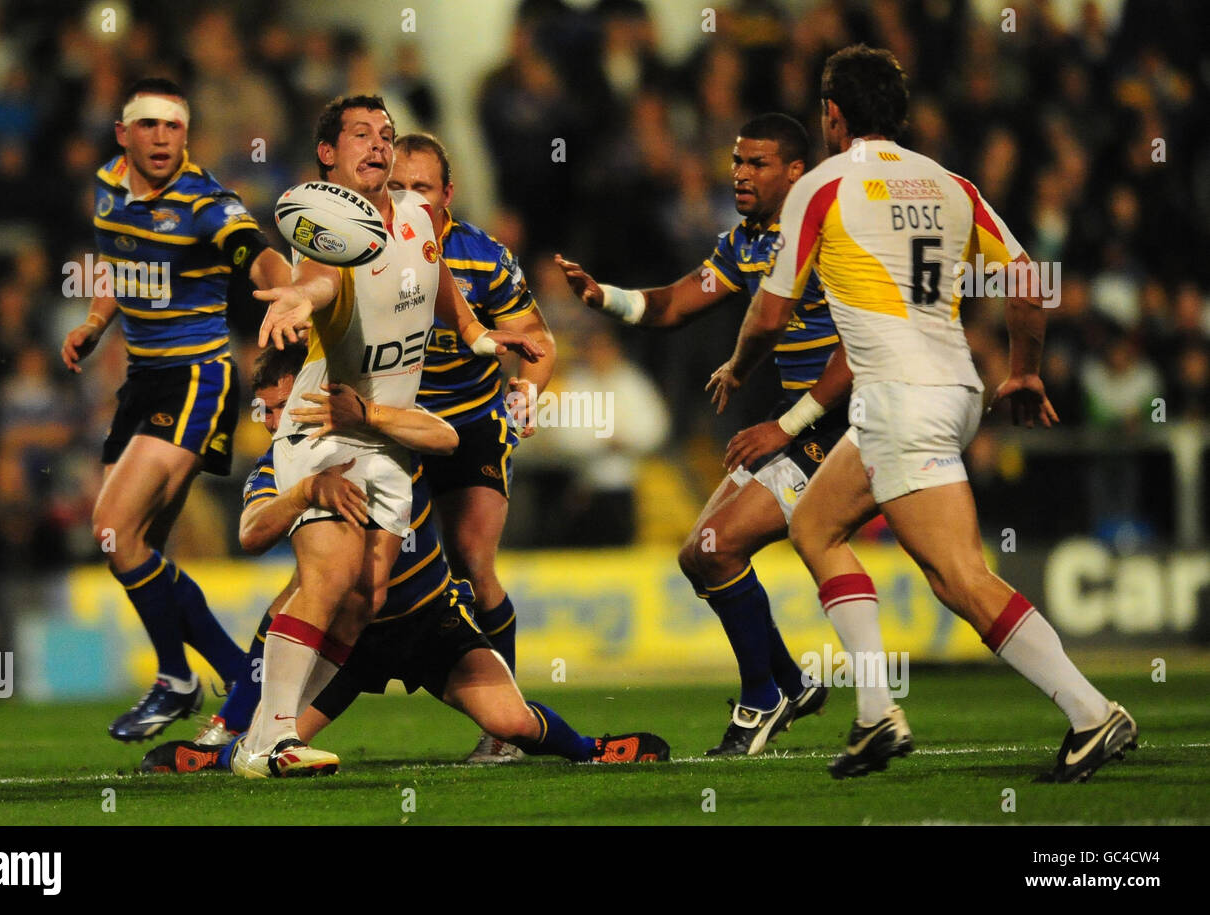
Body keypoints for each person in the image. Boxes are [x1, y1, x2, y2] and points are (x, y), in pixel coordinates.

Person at [716, 45, 1136, 782]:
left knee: (960, 577)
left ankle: (1090, 711)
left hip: (900, 397)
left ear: (834, 115)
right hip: (953, 386)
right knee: (816, 524)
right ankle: (876, 713)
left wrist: (741, 366)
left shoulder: (821, 185)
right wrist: (1026, 370)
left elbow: (770, 312)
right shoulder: (952, 184)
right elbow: (1030, 279)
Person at [141, 347, 668, 775]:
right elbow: (253, 532)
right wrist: (305, 492)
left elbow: (448, 437)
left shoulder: (384, 434)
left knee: (511, 722)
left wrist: (371, 415)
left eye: (283, 406)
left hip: (430, 621)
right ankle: (220, 753)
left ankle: (591, 748)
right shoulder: (276, 469)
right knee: (282, 744)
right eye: (267, 412)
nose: (275, 423)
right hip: (353, 639)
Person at [248, 95, 542, 776]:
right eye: (360, 135)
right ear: (328, 154)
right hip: (326, 422)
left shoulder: (413, 217)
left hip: (387, 438)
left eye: (385, 134)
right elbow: (320, 280)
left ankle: (258, 730)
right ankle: (265, 736)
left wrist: (474, 334)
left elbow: (435, 274)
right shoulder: (325, 225)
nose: (379, 145)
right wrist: (300, 297)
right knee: (329, 576)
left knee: (364, 595)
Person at [555, 113, 853, 756]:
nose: (740, 174)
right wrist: (604, 297)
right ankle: (790, 683)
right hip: (797, 422)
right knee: (698, 553)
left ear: (796, 171)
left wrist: (787, 423)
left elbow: (861, 349)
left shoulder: (833, 236)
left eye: (758, 163)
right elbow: (674, 303)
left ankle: (761, 701)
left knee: (717, 547)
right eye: (737, 161)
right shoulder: (747, 241)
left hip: (840, 424)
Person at [60, 78, 294, 742]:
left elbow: (254, 251)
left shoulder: (205, 204)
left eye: (174, 127)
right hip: (144, 381)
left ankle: (177, 678)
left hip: (197, 379)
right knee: (135, 549)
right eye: (150, 126)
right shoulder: (108, 187)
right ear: (123, 134)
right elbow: (117, 259)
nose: (163, 138)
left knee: (111, 527)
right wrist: (98, 320)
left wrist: (288, 291)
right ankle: (239, 680)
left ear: (185, 136)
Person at [387, 133, 557, 762]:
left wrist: (525, 397)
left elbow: (537, 340)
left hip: (472, 425)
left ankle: (505, 726)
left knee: (470, 559)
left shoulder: (482, 256)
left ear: (448, 196)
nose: (406, 199)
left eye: (421, 189)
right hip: (393, 429)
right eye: (396, 186)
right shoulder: (362, 248)